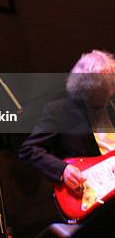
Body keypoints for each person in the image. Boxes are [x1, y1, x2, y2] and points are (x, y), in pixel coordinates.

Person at [19, 50, 115, 192]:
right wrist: (63, 170)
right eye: (103, 90)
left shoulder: (111, 106)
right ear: (85, 88)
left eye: (111, 86)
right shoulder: (59, 111)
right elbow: (29, 150)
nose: (110, 92)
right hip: (93, 195)